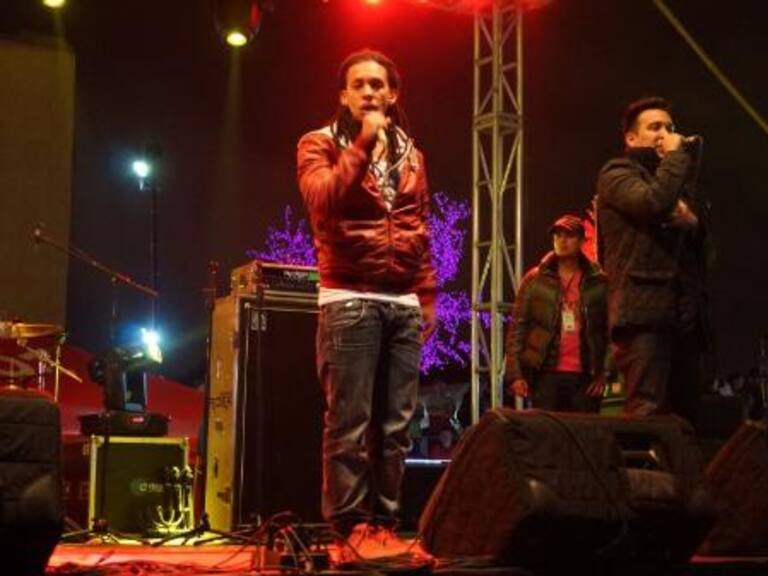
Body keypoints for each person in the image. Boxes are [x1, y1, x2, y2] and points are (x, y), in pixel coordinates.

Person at [296, 49, 436, 552]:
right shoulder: (318, 143)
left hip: (402, 302)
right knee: (349, 423)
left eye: (378, 84)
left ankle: (385, 526)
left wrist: (427, 294)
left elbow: (419, 225)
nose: (369, 92)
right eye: (358, 85)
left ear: (392, 94)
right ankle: (351, 528)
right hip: (349, 297)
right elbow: (323, 198)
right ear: (343, 95)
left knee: (397, 428)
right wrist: (362, 145)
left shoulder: (412, 154)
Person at [596, 96, 709, 426]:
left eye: (670, 127)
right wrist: (676, 157)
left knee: (687, 420)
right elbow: (652, 203)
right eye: (655, 127)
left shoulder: (675, 178)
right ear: (631, 138)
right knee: (647, 415)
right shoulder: (616, 173)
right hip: (643, 316)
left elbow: (704, 249)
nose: (665, 134)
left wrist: (695, 224)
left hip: (683, 316)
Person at [505, 214, 609, 412]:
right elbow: (517, 329)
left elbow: (610, 330)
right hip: (544, 375)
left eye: (569, 236)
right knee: (546, 430)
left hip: (586, 377)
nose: (562, 240)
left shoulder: (598, 281)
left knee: (582, 430)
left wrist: (605, 373)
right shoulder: (535, 280)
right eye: (557, 236)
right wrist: (515, 375)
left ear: (581, 241)